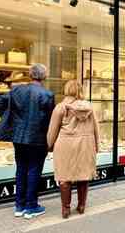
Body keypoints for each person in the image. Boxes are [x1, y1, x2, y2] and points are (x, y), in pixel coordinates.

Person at [0, 64, 54, 219]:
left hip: (19, 136)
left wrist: (11, 119)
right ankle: (31, 206)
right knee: (34, 170)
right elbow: (50, 120)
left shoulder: (17, 90)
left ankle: (19, 206)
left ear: (30, 74)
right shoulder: (47, 94)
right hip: (38, 138)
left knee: (21, 169)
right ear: (44, 76)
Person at [47, 80, 99, 219]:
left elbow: (53, 130)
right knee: (84, 175)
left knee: (64, 176)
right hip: (86, 144)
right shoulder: (90, 107)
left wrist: (49, 145)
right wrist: (97, 146)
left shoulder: (60, 107)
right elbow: (96, 128)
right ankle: (81, 206)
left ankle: (65, 209)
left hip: (65, 144)